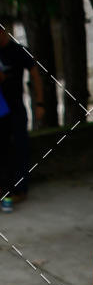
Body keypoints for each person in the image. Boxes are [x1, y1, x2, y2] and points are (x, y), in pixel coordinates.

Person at [0, 17, 45, 209]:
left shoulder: (18, 51)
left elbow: (35, 74)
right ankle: (6, 188)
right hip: (1, 109)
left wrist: (40, 103)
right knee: (3, 149)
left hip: (16, 105)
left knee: (20, 147)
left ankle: (21, 189)